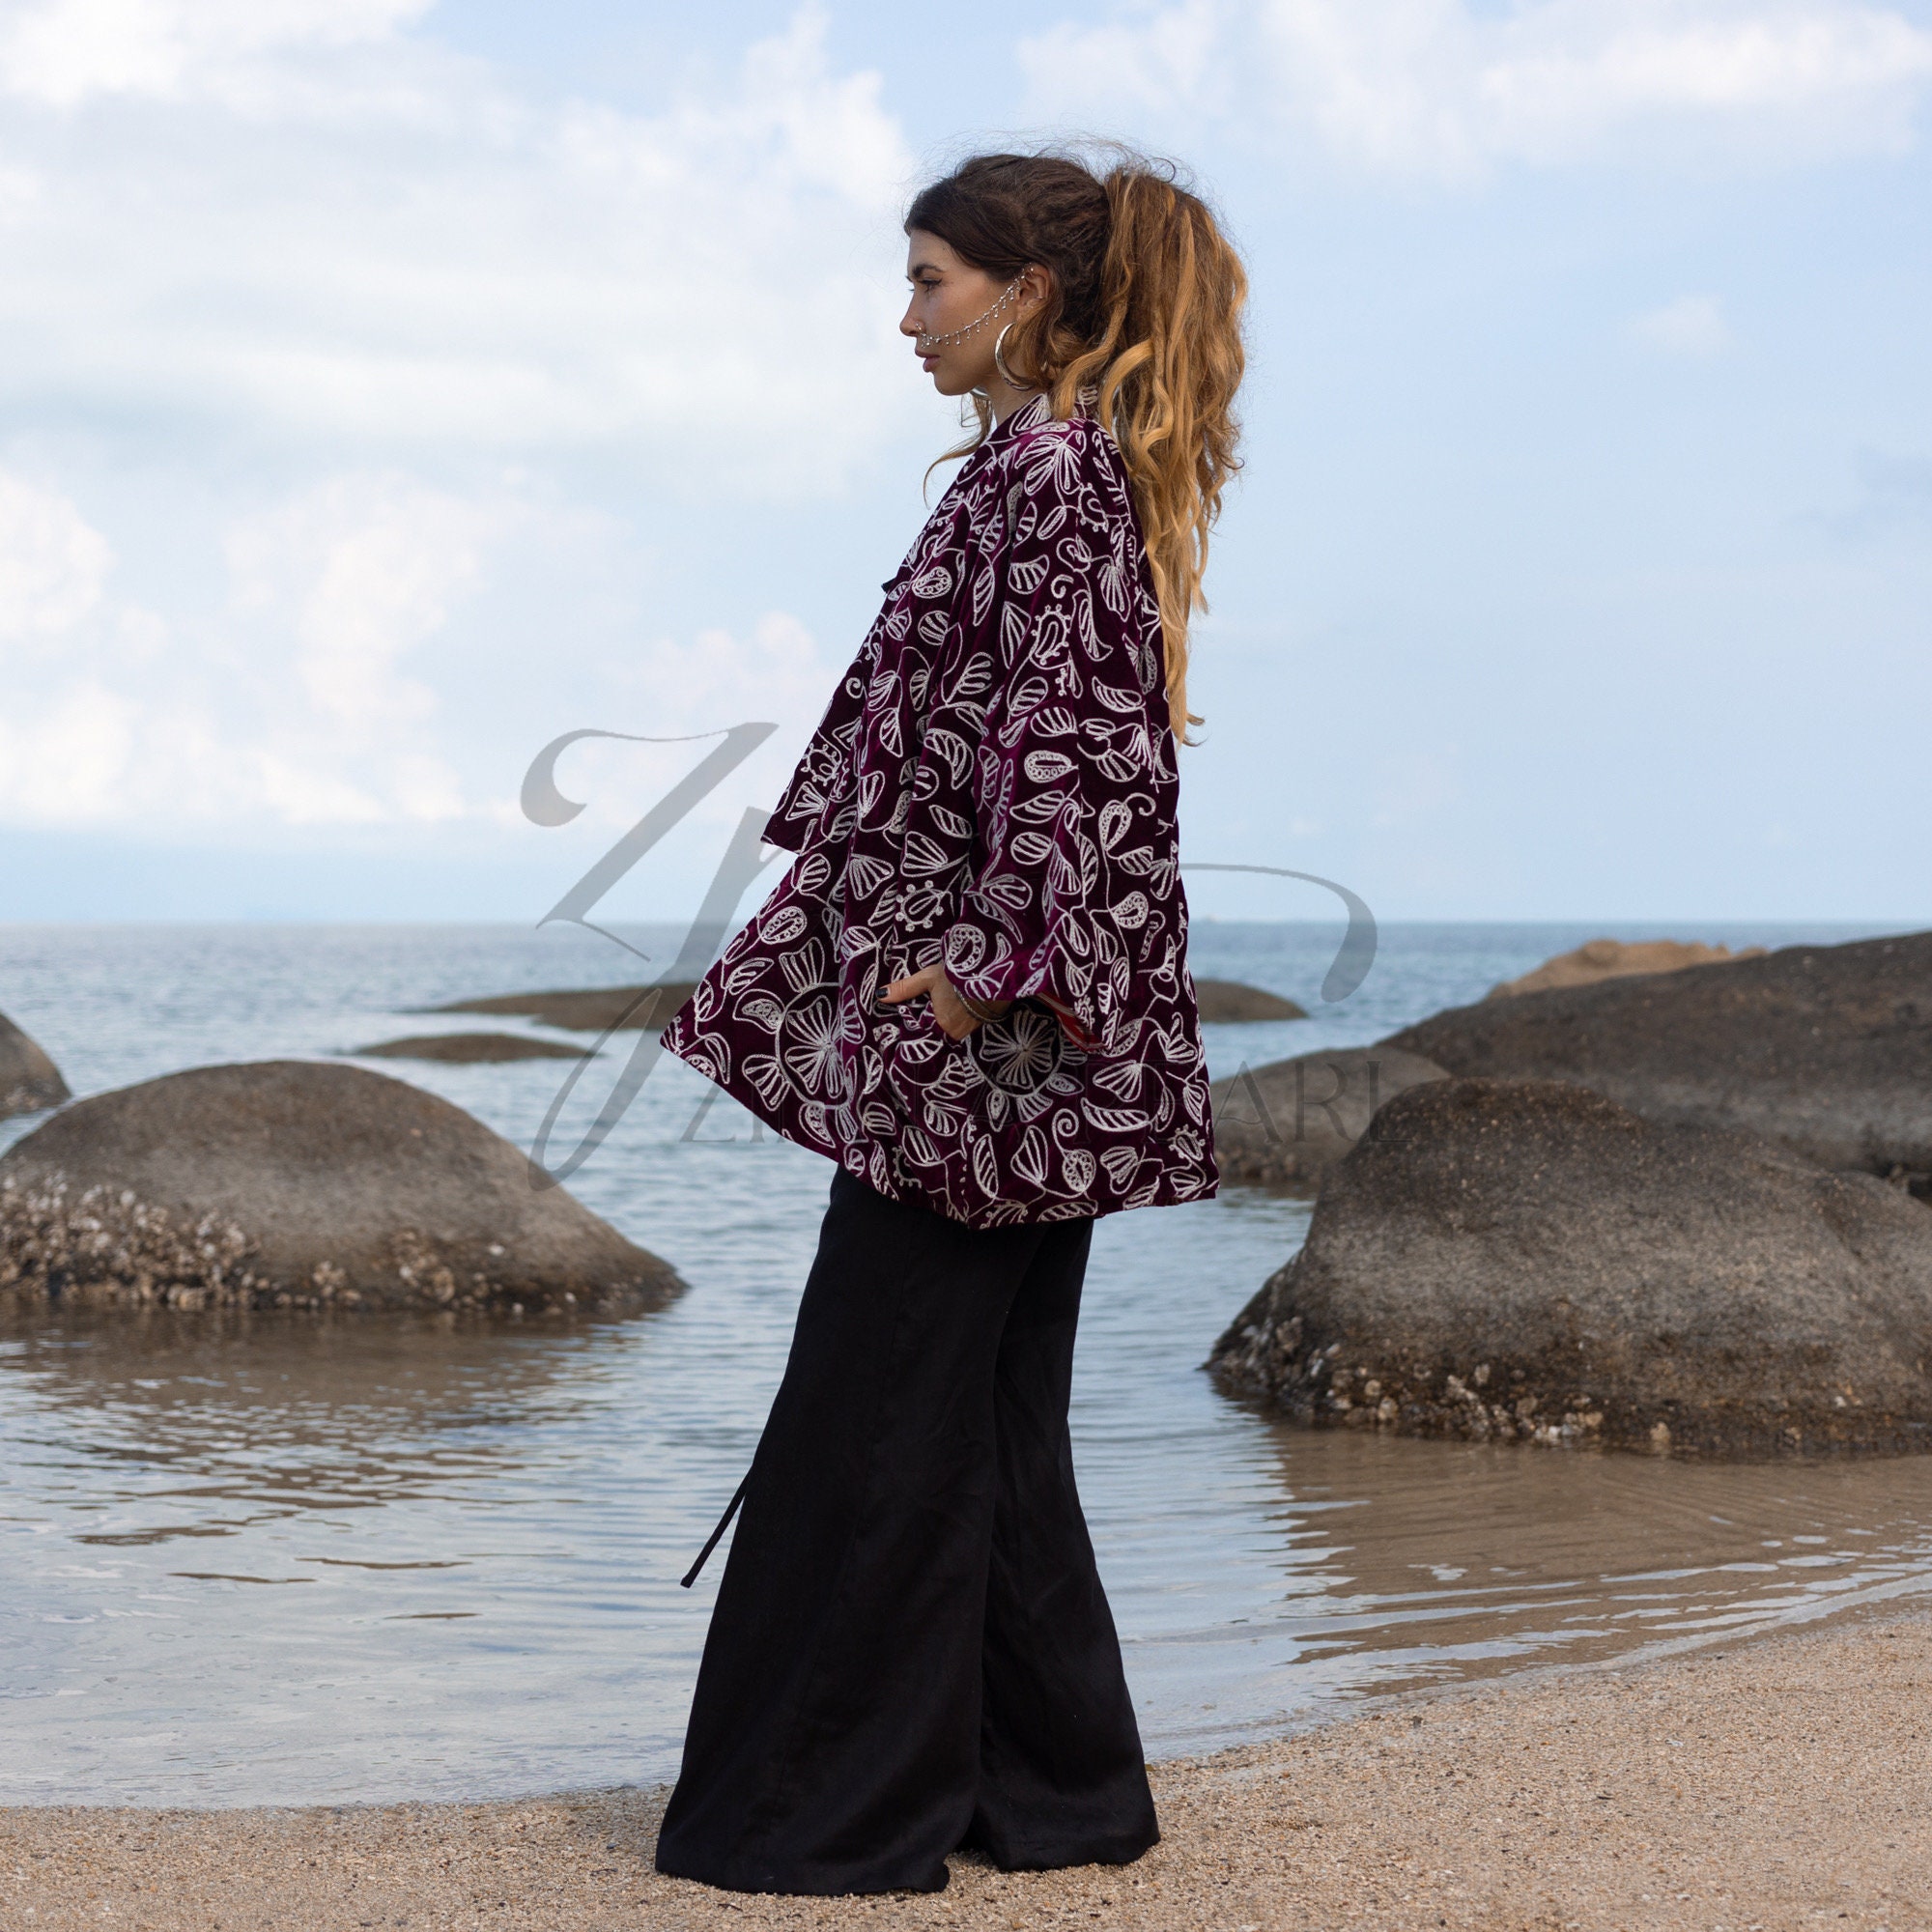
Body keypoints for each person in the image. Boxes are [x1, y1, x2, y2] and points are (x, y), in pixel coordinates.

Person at [653, 148, 1247, 1897]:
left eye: (931, 282)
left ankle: (824, 1815)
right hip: (1011, 1025)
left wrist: (988, 971)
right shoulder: (1041, 470)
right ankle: (1054, 1800)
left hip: (990, 1031)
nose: (906, 317)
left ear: (1027, 294)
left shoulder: (1052, 476)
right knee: (982, 1415)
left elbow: (1076, 746)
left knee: (882, 1407)